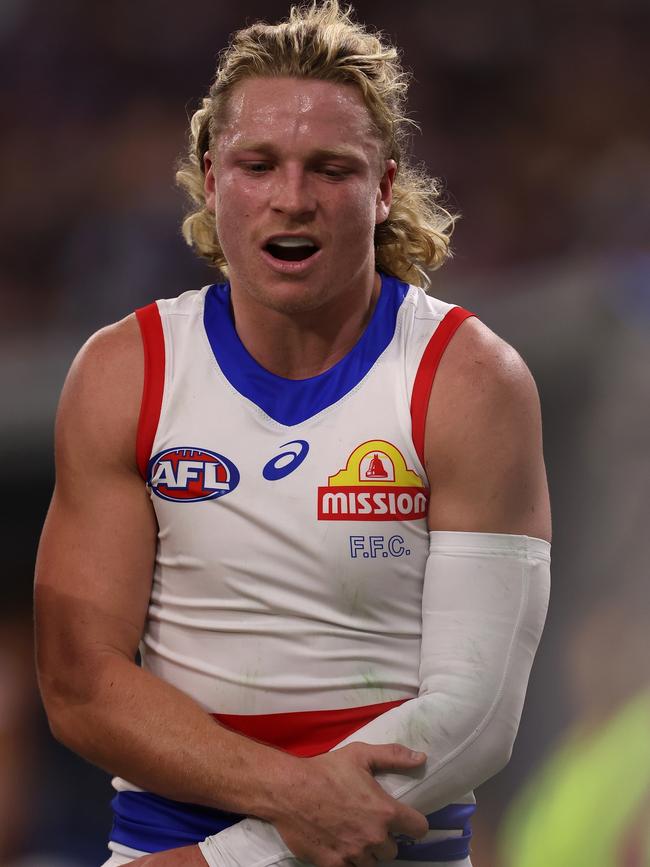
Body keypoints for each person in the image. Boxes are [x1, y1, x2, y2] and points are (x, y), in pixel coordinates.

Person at [34, 3, 551, 866]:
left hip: (375, 850)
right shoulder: (127, 372)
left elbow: (478, 714)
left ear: (384, 187)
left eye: (332, 168)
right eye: (258, 164)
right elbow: (80, 683)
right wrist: (289, 803)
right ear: (210, 177)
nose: (292, 198)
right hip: (171, 838)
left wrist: (237, 855)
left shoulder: (469, 378)